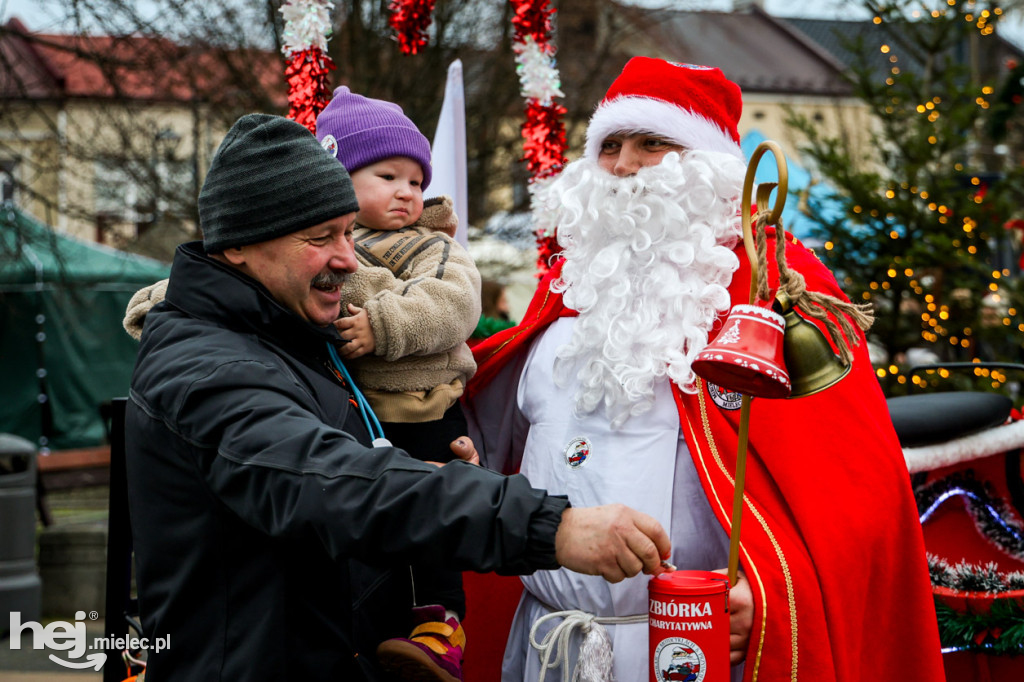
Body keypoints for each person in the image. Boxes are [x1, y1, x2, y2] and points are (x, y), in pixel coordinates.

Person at [123, 113, 673, 682]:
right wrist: (547, 527)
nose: (348, 259)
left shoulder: (295, 336)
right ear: (238, 245)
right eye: (320, 239)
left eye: (346, 231)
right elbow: (328, 483)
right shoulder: (207, 367)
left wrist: (427, 467)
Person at [464, 58, 945, 681]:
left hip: (694, 646)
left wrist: (771, 592)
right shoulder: (567, 295)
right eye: (609, 144)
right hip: (548, 645)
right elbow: (490, 449)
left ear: (711, 164)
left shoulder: (779, 296)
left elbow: (859, 495)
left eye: (652, 142)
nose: (624, 163)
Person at [313, 87, 480, 680]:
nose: (408, 191)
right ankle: (374, 628)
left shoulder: (433, 244)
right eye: (388, 175)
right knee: (370, 535)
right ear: (336, 180)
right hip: (358, 417)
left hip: (424, 410)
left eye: (416, 179)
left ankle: (442, 631)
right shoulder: (320, 243)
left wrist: (383, 324)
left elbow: (454, 304)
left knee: (434, 522)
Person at [470, 279, 516, 345]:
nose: (508, 308)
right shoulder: (505, 336)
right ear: (490, 302)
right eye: (504, 301)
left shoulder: (468, 331)